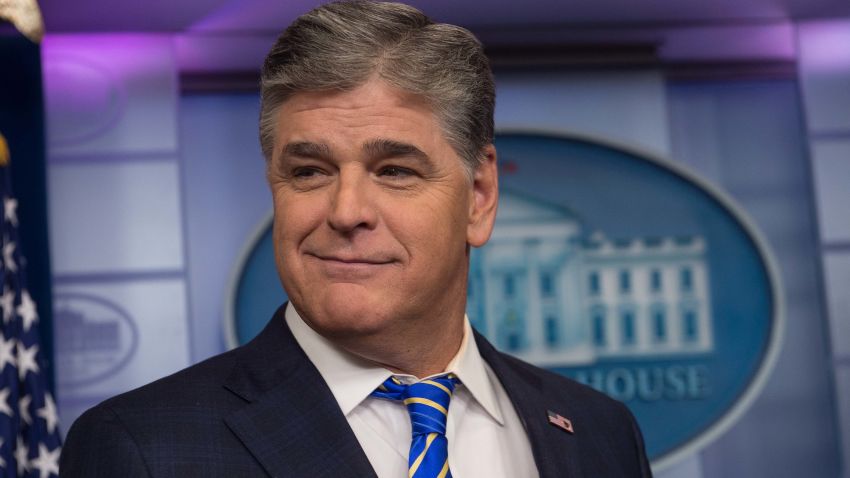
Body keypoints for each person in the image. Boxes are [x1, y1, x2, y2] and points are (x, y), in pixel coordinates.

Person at [59, 2, 652, 477]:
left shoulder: (598, 432)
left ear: (478, 197)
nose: (346, 212)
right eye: (310, 171)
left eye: (395, 170)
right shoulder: (143, 449)